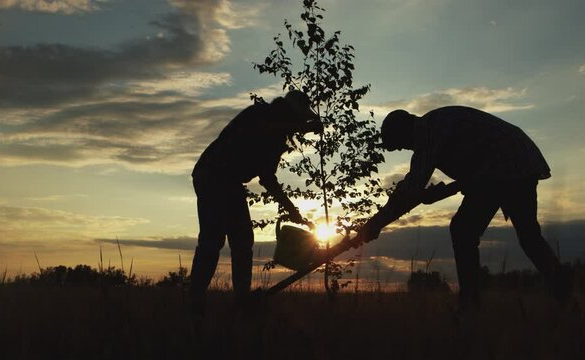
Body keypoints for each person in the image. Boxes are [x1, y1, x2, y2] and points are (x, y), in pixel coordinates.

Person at [354, 106, 569, 312]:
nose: (404, 149)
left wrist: (375, 224)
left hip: (508, 161)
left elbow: (411, 189)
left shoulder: (429, 132)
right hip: (519, 158)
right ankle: (567, 299)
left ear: (404, 131)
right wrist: (437, 195)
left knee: (463, 230)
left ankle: (470, 306)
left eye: (400, 144)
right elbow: (471, 175)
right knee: (529, 238)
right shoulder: (435, 128)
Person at [189, 90, 323, 316]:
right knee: (212, 241)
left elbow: (268, 178)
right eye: (297, 119)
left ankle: (242, 300)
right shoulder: (259, 114)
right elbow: (263, 129)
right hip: (211, 175)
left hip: (230, 182)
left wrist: (292, 211)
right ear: (289, 113)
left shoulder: (277, 141)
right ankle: (195, 300)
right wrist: (303, 127)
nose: (298, 125)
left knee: (243, 242)